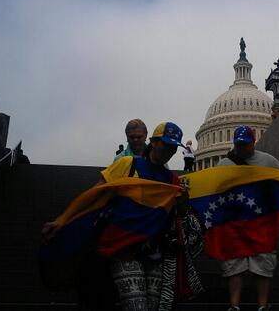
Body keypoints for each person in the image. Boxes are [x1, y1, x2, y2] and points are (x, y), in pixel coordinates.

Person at [42, 122, 203, 311]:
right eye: (165, 144)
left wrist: (183, 202)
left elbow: (180, 214)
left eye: (174, 147)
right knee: (136, 306)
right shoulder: (127, 165)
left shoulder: (172, 180)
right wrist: (63, 219)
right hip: (123, 250)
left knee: (154, 307)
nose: (169, 150)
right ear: (153, 142)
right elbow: (95, 194)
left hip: (156, 254)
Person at [216, 125, 279, 311]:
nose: (241, 148)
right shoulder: (224, 165)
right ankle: (234, 306)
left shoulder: (267, 160)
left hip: (261, 221)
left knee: (263, 264)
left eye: (245, 144)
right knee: (234, 264)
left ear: (254, 142)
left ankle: (263, 306)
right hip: (235, 221)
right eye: (238, 145)